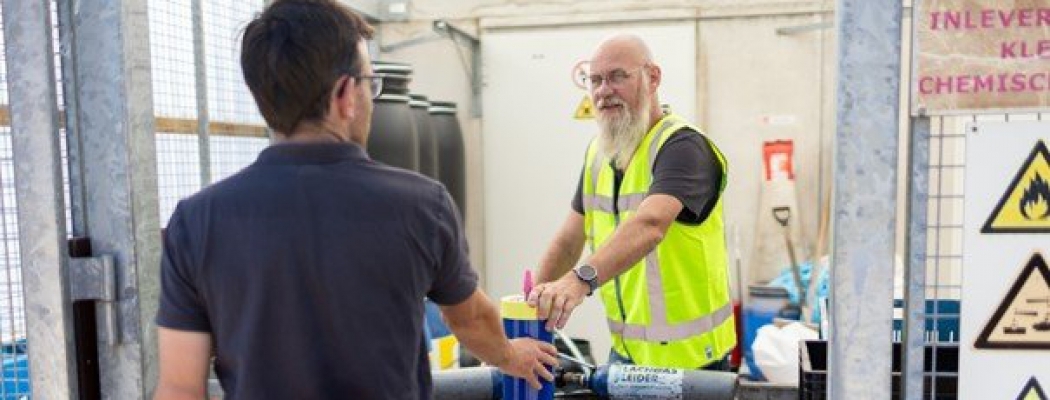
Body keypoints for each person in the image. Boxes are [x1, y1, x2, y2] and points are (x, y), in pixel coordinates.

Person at [153, 1, 556, 398]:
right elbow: (469, 319)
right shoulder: (420, 206)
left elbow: (180, 387)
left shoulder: (196, 221)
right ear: (345, 94)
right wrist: (510, 356)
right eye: (370, 82)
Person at [527, 34, 736, 370]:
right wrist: (530, 315)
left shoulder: (683, 147)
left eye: (617, 77)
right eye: (595, 80)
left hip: (692, 365)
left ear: (652, 78)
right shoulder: (599, 155)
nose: (603, 91)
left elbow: (650, 225)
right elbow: (569, 240)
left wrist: (578, 281)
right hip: (626, 356)